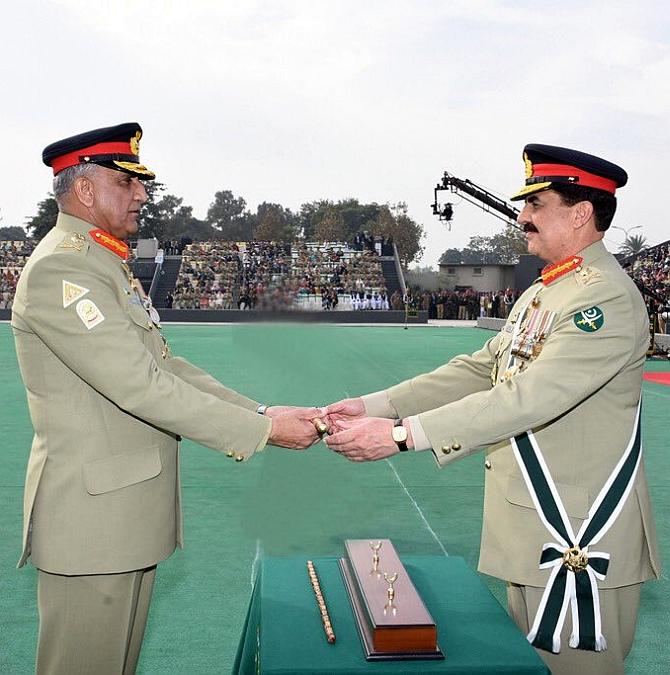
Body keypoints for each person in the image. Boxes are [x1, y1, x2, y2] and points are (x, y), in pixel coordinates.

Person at [323, 144, 661, 675]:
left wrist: (402, 435)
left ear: (580, 213)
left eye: (536, 204)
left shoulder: (606, 300)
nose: (522, 217)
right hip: (535, 528)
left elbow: (528, 398)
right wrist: (376, 405)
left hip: (576, 538)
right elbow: (482, 367)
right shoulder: (547, 290)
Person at [11, 122, 324, 675]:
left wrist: (259, 412)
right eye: (126, 182)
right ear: (84, 190)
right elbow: (140, 385)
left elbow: (166, 366)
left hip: (119, 517)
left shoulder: (102, 262)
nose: (142, 195)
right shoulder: (65, 267)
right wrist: (265, 434)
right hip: (93, 524)